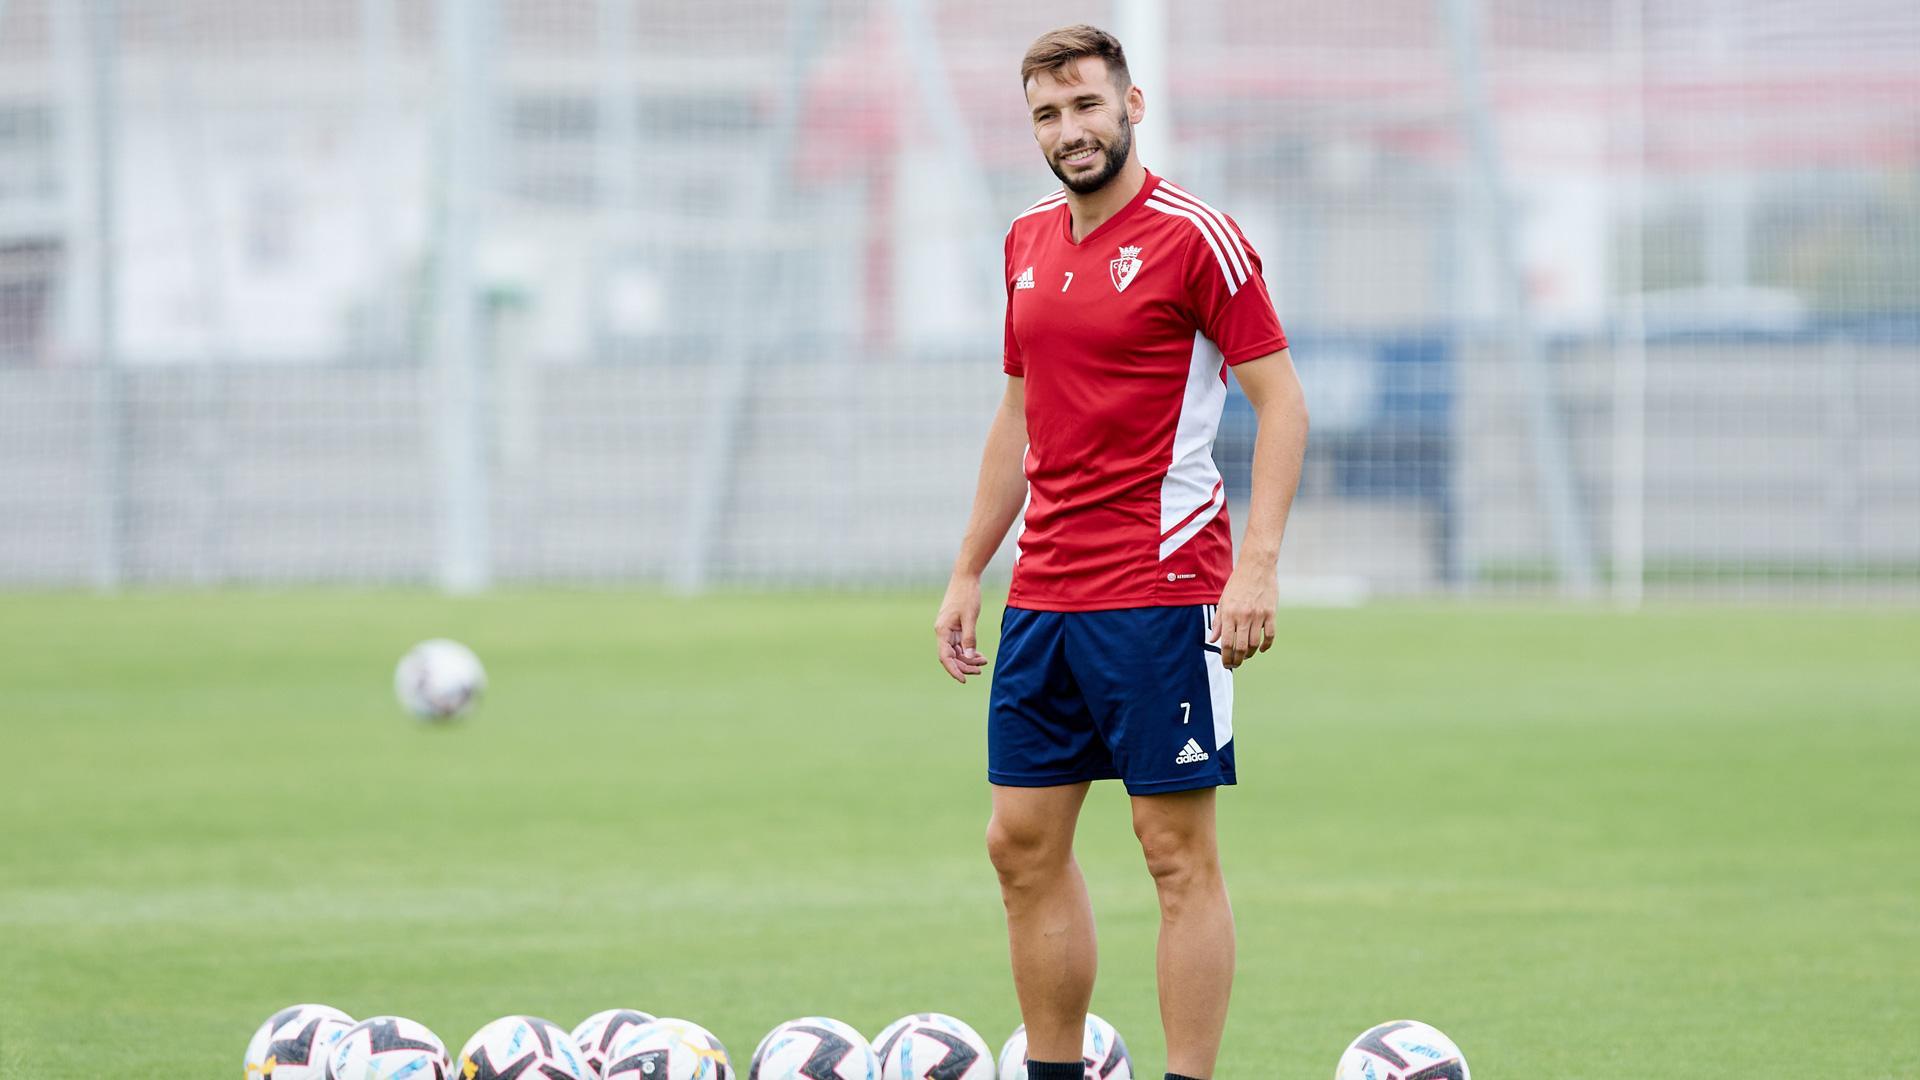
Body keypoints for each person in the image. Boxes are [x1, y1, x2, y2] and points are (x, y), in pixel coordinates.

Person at [933, 24, 1309, 1080]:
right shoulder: (1024, 242)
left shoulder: (1200, 238)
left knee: (1173, 853)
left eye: (1087, 106)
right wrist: (970, 568)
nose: (1070, 130)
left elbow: (1283, 408)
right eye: (1048, 114)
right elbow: (1018, 415)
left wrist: (1259, 567)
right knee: (1020, 847)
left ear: (1131, 107)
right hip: (1045, 594)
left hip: (1163, 591)